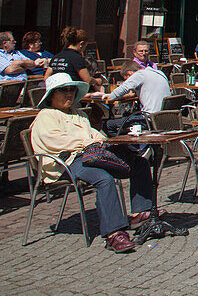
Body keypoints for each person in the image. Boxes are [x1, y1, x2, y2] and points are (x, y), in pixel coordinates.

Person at [30, 72, 156, 253]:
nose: (69, 94)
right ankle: (114, 234)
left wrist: (104, 141)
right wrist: (87, 143)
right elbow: (53, 141)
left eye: (71, 90)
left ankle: (141, 213)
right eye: (63, 91)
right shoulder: (46, 116)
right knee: (104, 178)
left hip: (90, 155)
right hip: (65, 163)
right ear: (51, 95)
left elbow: (94, 134)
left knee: (139, 162)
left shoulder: (78, 113)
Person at [96, 60, 171, 119]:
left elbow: (122, 89)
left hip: (150, 117)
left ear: (129, 73)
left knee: (110, 125)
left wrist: (109, 96)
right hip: (166, 116)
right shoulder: (159, 73)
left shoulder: (139, 74)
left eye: (126, 79)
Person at [44, 27, 103, 92]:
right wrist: (97, 81)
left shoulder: (56, 57)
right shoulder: (77, 58)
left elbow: (46, 78)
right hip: (71, 93)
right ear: (81, 44)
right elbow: (87, 80)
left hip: (56, 92)